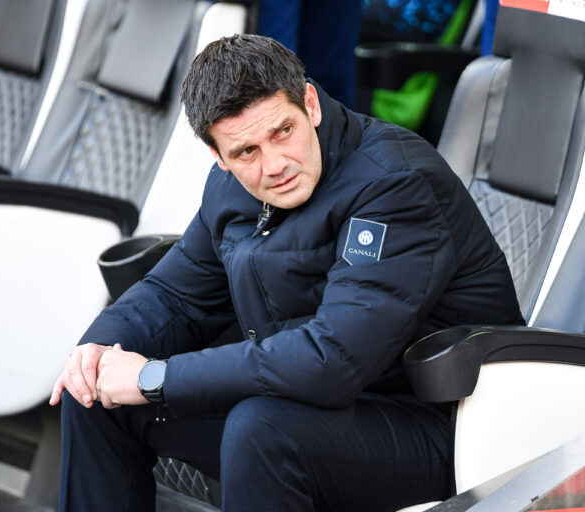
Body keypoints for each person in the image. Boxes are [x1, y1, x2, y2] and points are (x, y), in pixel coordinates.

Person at [50, 34, 524, 511]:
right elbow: (173, 295)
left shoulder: (396, 185)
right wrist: (94, 354)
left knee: (261, 428)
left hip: (442, 430)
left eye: (283, 132)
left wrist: (156, 377)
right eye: (245, 152)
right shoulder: (230, 186)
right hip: (317, 409)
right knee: (93, 397)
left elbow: (332, 359)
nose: (274, 165)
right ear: (219, 156)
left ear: (311, 105)